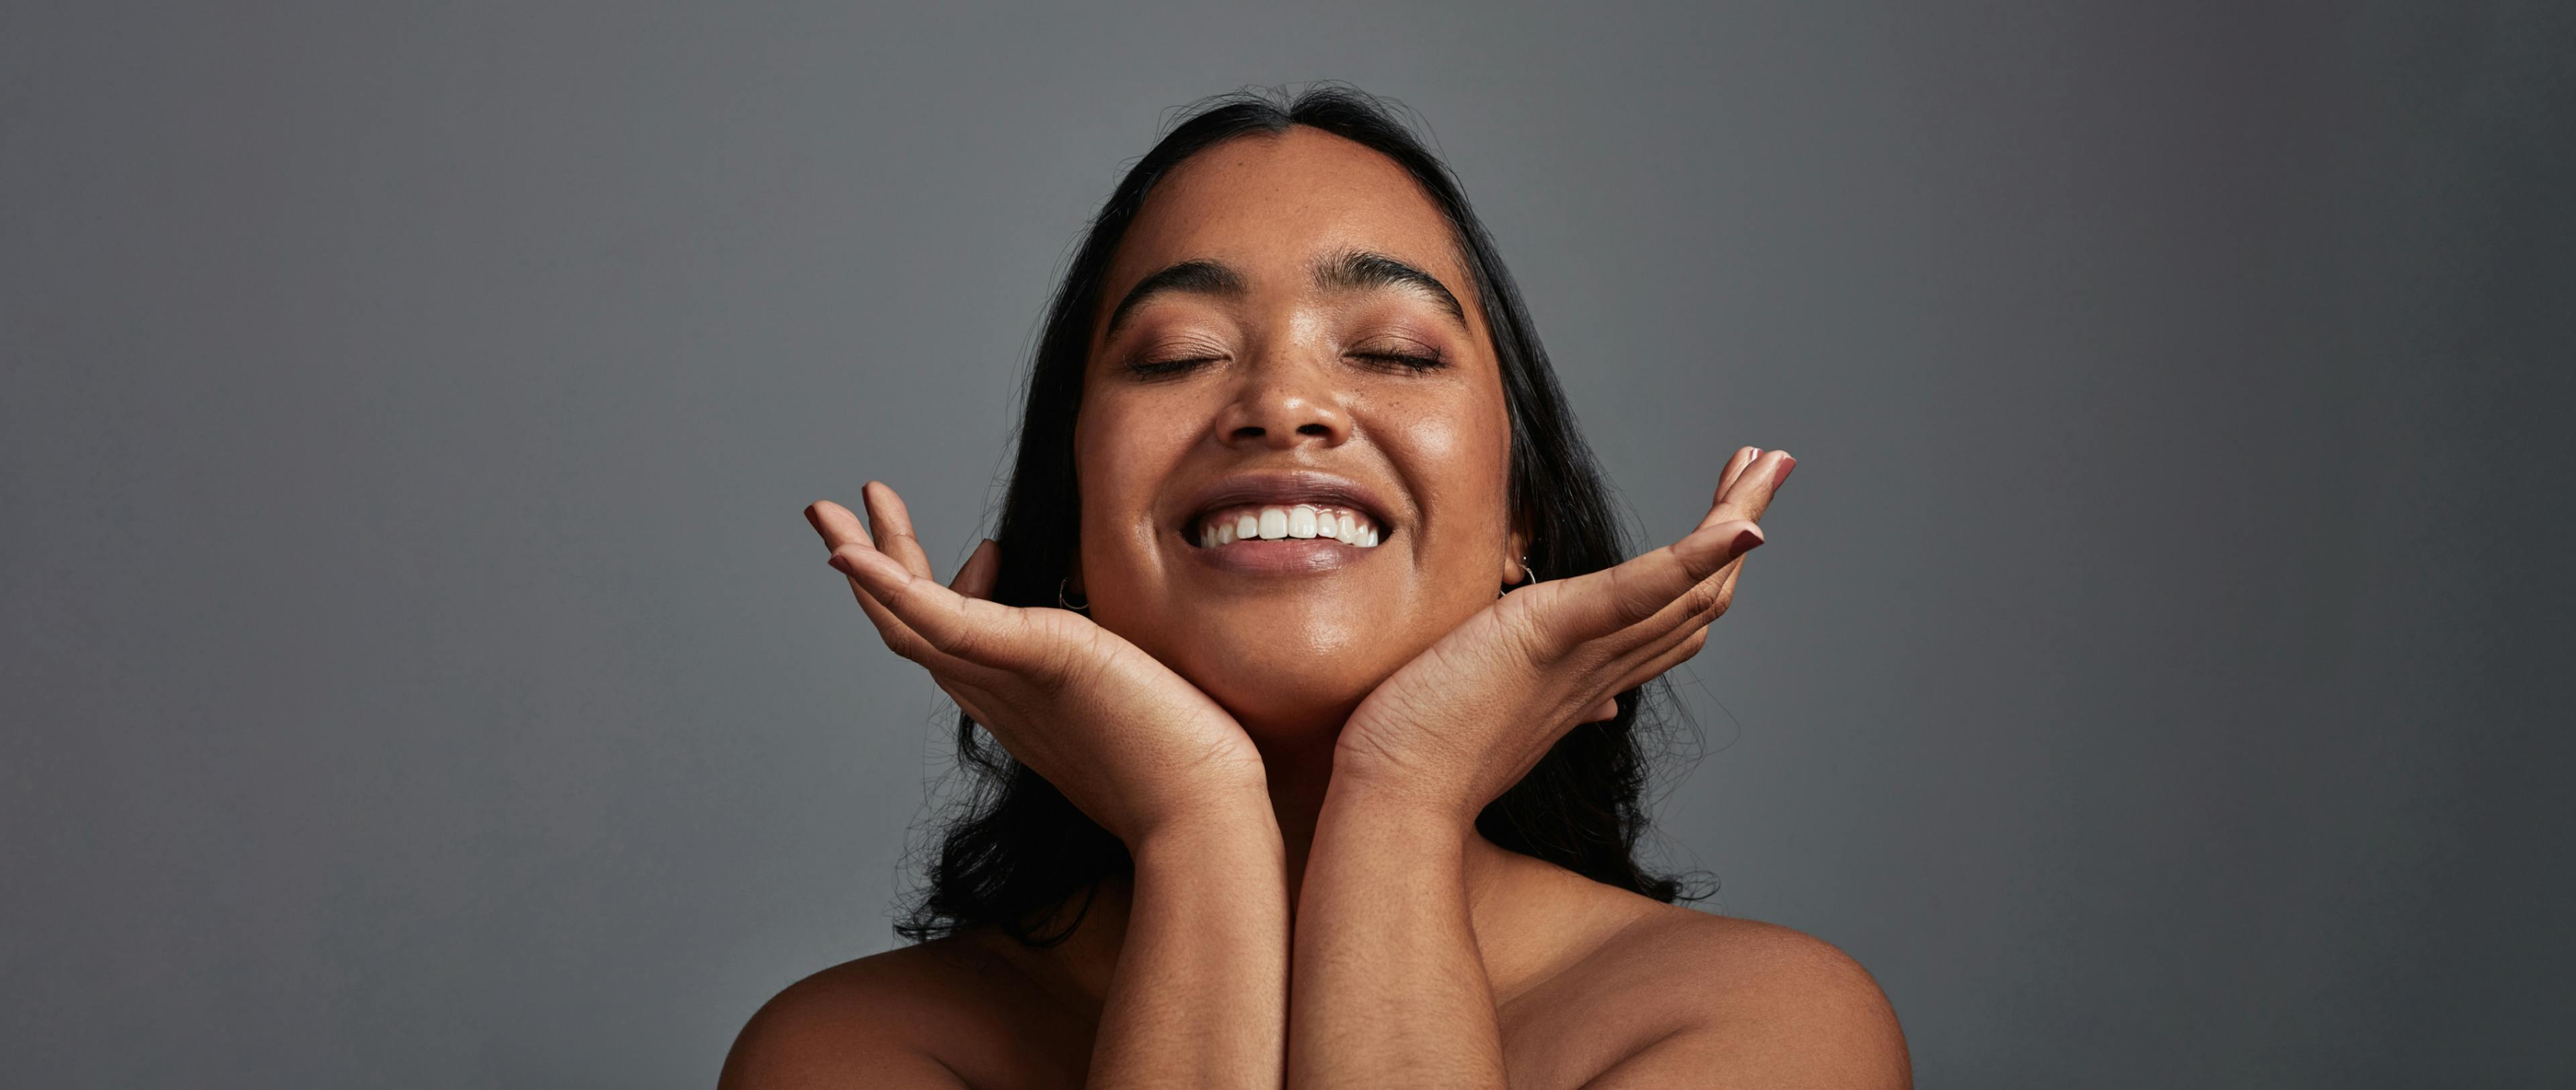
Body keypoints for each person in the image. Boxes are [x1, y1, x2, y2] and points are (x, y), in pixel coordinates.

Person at [721, 85, 1911, 1089]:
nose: (1282, 403)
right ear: (1069, 533)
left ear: (1520, 526)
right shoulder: (852, 1052)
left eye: (1393, 350)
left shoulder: (1765, 1026)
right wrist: (1199, 827)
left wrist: (1404, 795)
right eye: (1179, 354)